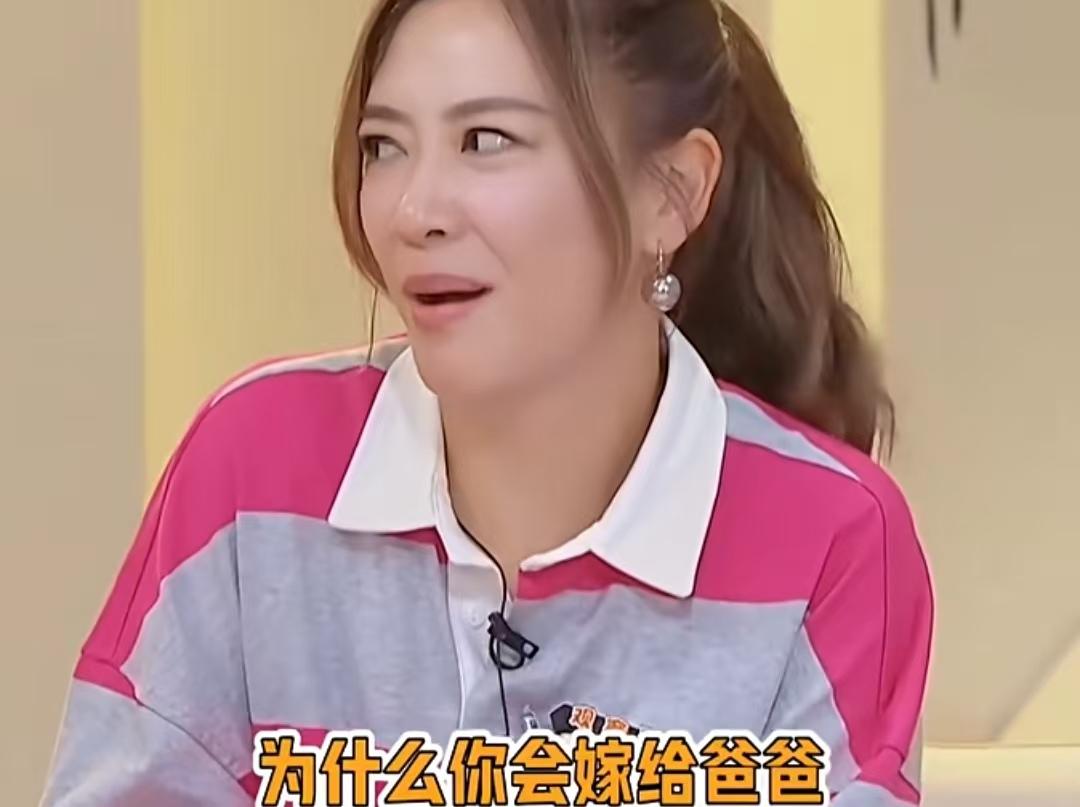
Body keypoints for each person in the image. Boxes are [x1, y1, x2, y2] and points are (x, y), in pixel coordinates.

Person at [41, 0, 934, 804]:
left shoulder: (834, 539)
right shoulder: (252, 468)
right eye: (383, 146)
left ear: (672, 193)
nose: (413, 211)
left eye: (486, 140)